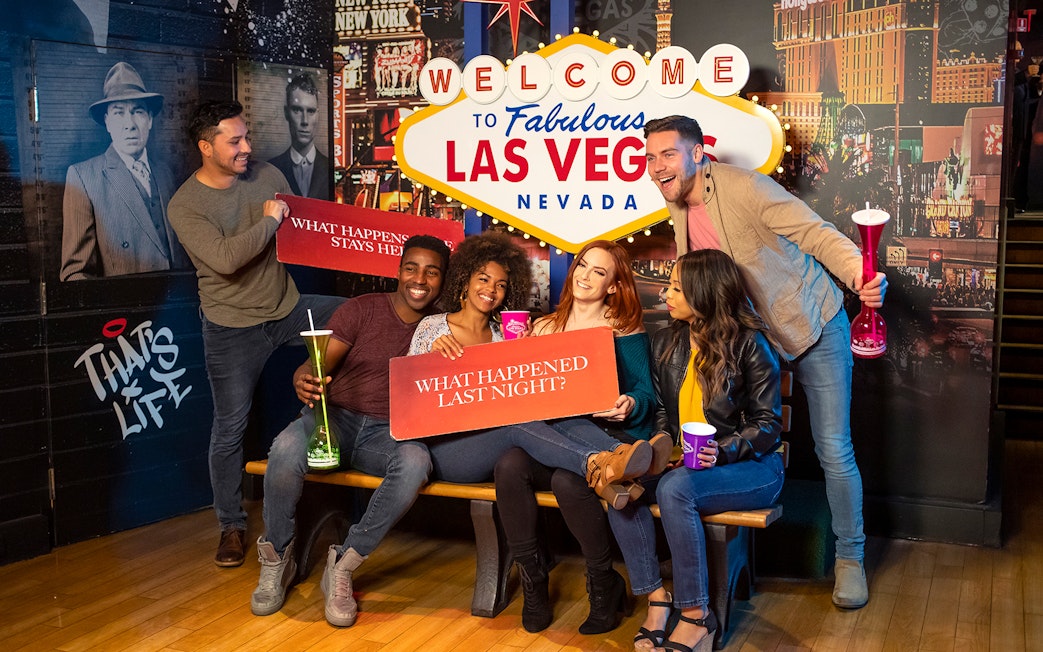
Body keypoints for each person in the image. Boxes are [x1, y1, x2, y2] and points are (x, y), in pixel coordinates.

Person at [643, 115, 887, 609]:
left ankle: (849, 556)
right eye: (650, 157)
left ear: (697, 152)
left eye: (668, 154)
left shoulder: (746, 188)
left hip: (810, 322)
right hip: (752, 340)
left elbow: (815, 234)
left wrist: (860, 276)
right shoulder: (676, 201)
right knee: (737, 430)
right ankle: (720, 550)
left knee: (833, 449)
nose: (657, 166)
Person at [167, 100, 344, 568]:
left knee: (358, 316)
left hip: (286, 308)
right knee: (229, 428)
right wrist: (269, 220)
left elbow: (305, 230)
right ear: (206, 147)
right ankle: (230, 524)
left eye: (247, 137)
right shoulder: (186, 205)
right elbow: (225, 260)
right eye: (235, 141)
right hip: (231, 329)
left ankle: (346, 439)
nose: (248, 147)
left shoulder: (267, 175)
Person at [251, 235, 450, 626]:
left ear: (443, 280)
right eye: (412, 267)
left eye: (432, 271)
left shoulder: (441, 327)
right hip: (333, 420)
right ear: (398, 270)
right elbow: (317, 365)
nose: (420, 279)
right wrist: (303, 376)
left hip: (386, 434)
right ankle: (277, 558)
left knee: (415, 462)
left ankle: (342, 564)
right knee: (287, 446)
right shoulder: (362, 309)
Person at [610, 250, 785, 652]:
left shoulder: (750, 344)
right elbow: (661, 414)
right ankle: (657, 600)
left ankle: (696, 615)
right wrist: (657, 449)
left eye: (676, 287)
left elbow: (767, 425)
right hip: (683, 464)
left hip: (753, 467)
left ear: (705, 292)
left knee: (676, 489)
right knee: (620, 488)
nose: (666, 295)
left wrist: (720, 453)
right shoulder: (668, 340)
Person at [492, 240, 669, 634]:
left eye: (598, 272)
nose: (585, 277)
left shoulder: (622, 326)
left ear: (612, 286)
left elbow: (645, 393)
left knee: (567, 480)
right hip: (549, 433)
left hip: (606, 430)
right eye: (582, 266)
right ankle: (534, 581)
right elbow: (523, 392)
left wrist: (628, 404)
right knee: (508, 465)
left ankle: (603, 584)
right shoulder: (542, 327)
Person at [408, 233, 656, 508]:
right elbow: (412, 404)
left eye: (500, 284)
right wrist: (432, 361)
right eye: (483, 278)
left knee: (532, 422)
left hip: (495, 438)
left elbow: (518, 398)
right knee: (519, 424)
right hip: (448, 448)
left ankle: (609, 471)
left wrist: (525, 352)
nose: (491, 289)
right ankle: (601, 462)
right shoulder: (433, 330)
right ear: (464, 279)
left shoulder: (503, 336)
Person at [61, 61, 191, 280]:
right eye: (119, 113)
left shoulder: (165, 173)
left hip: (173, 302)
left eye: (137, 111)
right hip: (127, 306)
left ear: (149, 120)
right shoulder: (83, 177)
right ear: (107, 122)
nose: (129, 124)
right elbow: (75, 273)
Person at [268, 72, 330, 200]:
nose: (305, 121)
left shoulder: (328, 167)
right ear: (286, 113)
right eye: (297, 110)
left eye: (311, 111)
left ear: (317, 115)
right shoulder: (271, 169)